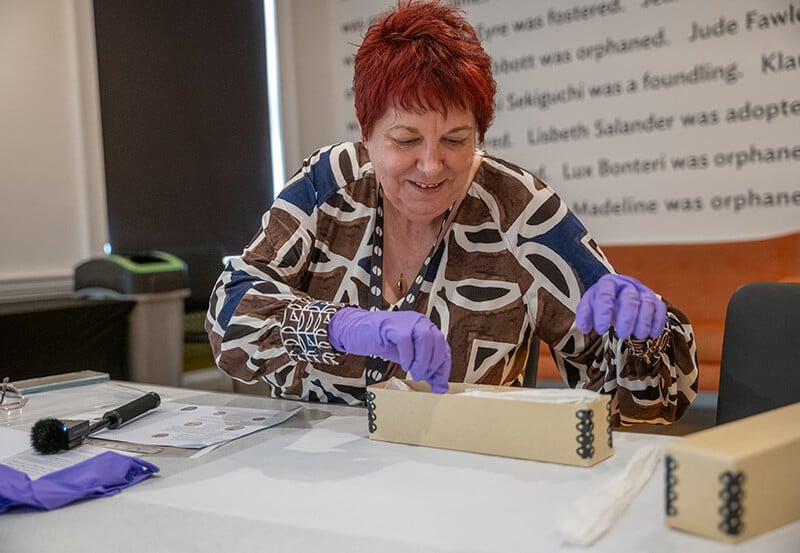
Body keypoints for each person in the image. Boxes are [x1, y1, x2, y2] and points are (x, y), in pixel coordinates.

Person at [206, 0, 698, 426]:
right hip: (314, 466)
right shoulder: (330, 183)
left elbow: (655, 404)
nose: (431, 165)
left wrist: (643, 340)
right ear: (366, 130)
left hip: (462, 476)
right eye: (405, 140)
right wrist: (342, 327)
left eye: (455, 140)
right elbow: (228, 316)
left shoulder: (520, 211)